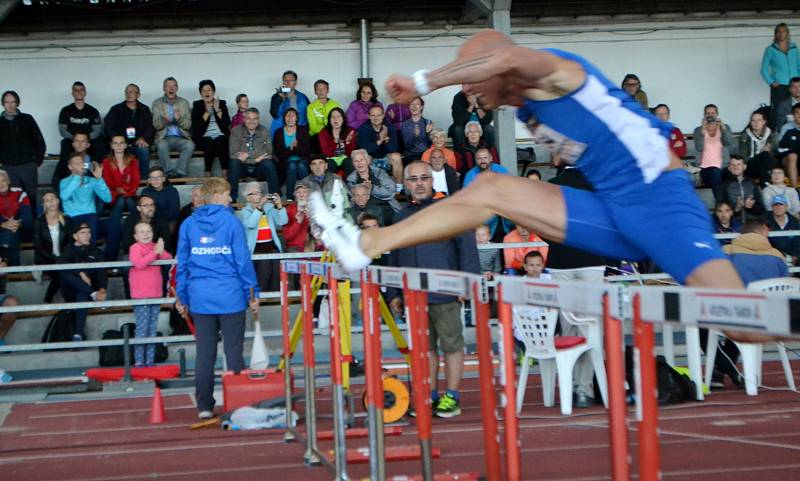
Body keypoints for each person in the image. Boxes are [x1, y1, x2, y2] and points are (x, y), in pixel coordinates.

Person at [312, 29, 767, 342]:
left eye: (471, 76)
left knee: (739, 323)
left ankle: (763, 266)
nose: (467, 89)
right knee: (491, 188)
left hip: (659, 202)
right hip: (609, 208)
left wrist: (424, 82)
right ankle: (367, 242)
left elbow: (507, 56)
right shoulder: (526, 108)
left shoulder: (560, 73)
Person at [384, 161, 480, 418]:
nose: (419, 184)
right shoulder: (400, 216)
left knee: (451, 346)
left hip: (446, 294)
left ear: (432, 181)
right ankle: (429, 395)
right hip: (413, 297)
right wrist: (394, 293)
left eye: (424, 178)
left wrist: (468, 283)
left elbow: (467, 249)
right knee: (424, 349)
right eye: (413, 179)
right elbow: (394, 256)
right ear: (405, 184)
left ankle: (452, 396)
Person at [175, 177, 260, 419]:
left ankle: (204, 406)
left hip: (201, 297)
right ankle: (239, 403)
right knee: (233, 352)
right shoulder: (232, 222)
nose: (231, 199)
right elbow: (242, 261)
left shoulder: (189, 224)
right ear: (215, 196)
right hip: (230, 294)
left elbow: (183, 264)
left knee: (205, 354)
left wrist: (181, 296)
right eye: (227, 194)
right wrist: (252, 293)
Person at [705, 217, 792, 387]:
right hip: (772, 319)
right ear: (763, 232)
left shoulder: (727, 252)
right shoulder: (778, 257)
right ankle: (723, 372)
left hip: (738, 315)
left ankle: (728, 371)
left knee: (701, 327)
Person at [129, 222, 172, 367]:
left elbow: (168, 258)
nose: (146, 234)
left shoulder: (155, 247)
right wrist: (155, 252)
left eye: (148, 231)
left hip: (155, 293)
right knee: (142, 329)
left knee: (152, 329)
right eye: (142, 232)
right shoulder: (134, 248)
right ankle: (139, 362)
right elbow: (139, 263)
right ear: (135, 236)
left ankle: (150, 361)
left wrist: (159, 249)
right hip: (141, 295)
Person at [59, 222, 108, 341]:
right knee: (65, 272)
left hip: (87, 289)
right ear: (75, 236)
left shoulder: (96, 251)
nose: (87, 235)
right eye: (82, 233)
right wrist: (80, 273)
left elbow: (102, 271)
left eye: (88, 232)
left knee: (82, 294)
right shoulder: (68, 249)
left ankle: (78, 334)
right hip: (70, 290)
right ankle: (93, 294)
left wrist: (102, 289)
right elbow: (61, 265)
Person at [0, 90, 45, 213]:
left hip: (27, 166)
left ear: (17, 103)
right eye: (7, 102)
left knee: (31, 198)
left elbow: (39, 141)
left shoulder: (27, 119)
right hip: (9, 168)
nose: (10, 105)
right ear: (3, 104)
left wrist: (36, 161)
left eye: (13, 101)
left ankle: (33, 227)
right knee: (14, 199)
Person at [238, 181, 287, 291]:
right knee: (263, 274)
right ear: (247, 197)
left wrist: (279, 205)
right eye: (255, 193)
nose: (259, 195)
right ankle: (262, 298)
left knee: (276, 274)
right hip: (256, 249)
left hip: (272, 247)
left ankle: (275, 299)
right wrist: (259, 207)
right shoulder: (245, 212)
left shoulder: (268, 208)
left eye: (259, 192)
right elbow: (250, 224)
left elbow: (282, 221)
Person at [102, 135, 141, 260]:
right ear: (111, 145)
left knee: (127, 200)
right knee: (120, 201)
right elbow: (108, 184)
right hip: (114, 196)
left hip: (130, 195)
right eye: (115, 143)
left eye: (121, 143)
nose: (118, 146)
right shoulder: (107, 162)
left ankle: (112, 255)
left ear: (125, 145)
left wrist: (125, 192)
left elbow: (135, 182)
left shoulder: (133, 160)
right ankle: (139, 225)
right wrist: (120, 191)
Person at [228, 107, 278, 201]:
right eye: (248, 118)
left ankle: (275, 196)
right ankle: (232, 198)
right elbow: (233, 154)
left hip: (259, 168)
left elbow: (268, 151)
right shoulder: (236, 131)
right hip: (242, 168)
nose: (252, 121)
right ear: (244, 119)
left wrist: (246, 154)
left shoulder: (264, 131)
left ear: (258, 120)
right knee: (234, 162)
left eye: (254, 118)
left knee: (268, 162)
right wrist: (254, 159)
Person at [60, 153, 111, 243]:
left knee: (91, 244)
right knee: (74, 245)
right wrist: (77, 177)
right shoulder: (64, 182)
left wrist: (99, 179)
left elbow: (108, 198)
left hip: (90, 215)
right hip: (72, 216)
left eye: (81, 163)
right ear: (70, 167)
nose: (80, 165)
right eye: (76, 163)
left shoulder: (91, 180)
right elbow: (64, 196)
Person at [104, 83, 154, 175]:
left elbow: (150, 127)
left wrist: (143, 138)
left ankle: (144, 180)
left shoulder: (144, 109)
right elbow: (108, 127)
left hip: (137, 142)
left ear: (138, 94)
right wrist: (117, 140)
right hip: (121, 143)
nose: (129, 94)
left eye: (132, 92)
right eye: (127, 92)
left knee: (144, 150)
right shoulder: (116, 109)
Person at [58, 81, 105, 172]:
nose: (79, 92)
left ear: (85, 92)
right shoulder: (65, 110)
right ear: (72, 93)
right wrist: (76, 140)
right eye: (76, 90)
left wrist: (84, 140)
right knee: (65, 144)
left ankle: (94, 173)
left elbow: (97, 130)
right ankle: (64, 173)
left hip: (89, 140)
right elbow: (62, 130)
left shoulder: (92, 110)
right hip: (72, 140)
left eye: (81, 90)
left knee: (100, 145)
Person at [152, 77, 194, 179]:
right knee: (161, 145)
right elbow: (156, 125)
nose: (171, 88)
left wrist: (179, 119)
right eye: (168, 86)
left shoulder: (184, 103)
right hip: (164, 137)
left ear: (177, 88)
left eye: (173, 86)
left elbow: (188, 125)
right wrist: (164, 121)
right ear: (164, 88)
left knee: (190, 145)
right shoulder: (157, 103)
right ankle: (168, 173)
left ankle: (180, 172)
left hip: (181, 137)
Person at [33, 191, 70, 302]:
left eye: (52, 199)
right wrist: (57, 260)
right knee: (61, 275)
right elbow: (39, 247)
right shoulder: (39, 222)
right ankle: (47, 301)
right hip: (45, 258)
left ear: (58, 201)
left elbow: (70, 243)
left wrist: (63, 258)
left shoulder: (66, 220)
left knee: (66, 273)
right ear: (44, 205)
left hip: (63, 258)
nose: (51, 202)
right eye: (47, 200)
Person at [761, 23, 800, 127]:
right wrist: (771, 82)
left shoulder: (794, 48)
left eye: (783, 31)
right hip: (780, 86)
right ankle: (777, 133)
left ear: (787, 33)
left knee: (797, 107)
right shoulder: (770, 49)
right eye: (778, 32)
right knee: (779, 109)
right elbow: (763, 69)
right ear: (775, 34)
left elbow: (799, 65)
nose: (781, 34)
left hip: (795, 84)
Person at [346, 149, 400, 223]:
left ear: (367, 161)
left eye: (362, 160)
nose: (359, 163)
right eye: (356, 161)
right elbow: (352, 200)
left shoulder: (379, 173)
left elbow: (391, 192)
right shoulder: (351, 180)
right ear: (353, 163)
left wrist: (372, 188)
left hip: (384, 206)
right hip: (364, 210)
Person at [693, 104, 733, 202]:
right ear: (704, 115)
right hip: (705, 169)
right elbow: (699, 147)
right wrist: (703, 129)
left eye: (712, 113)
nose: (710, 115)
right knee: (715, 173)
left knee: (732, 178)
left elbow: (728, 142)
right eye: (707, 113)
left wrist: (723, 127)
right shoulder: (698, 130)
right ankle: (721, 206)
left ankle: (727, 209)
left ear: (717, 114)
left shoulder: (725, 128)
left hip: (723, 168)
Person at [191, 79, 232, 178]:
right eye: (203, 90)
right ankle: (208, 172)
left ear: (213, 92)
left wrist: (217, 110)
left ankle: (225, 172)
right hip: (204, 136)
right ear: (201, 93)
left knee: (221, 141)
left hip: (220, 134)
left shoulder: (221, 103)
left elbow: (227, 123)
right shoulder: (197, 105)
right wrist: (208, 112)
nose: (206, 92)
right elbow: (196, 126)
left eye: (209, 90)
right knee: (209, 142)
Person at [357, 104, 404, 184]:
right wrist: (379, 140)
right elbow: (363, 149)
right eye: (373, 115)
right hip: (372, 159)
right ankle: (368, 187)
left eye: (378, 115)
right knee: (365, 157)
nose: (376, 118)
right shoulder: (363, 128)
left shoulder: (389, 127)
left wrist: (386, 140)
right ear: (369, 116)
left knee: (396, 156)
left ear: (383, 116)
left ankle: (399, 189)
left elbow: (394, 149)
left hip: (386, 158)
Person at [273, 108, 311, 199]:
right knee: (292, 165)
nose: (290, 118)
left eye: (293, 115)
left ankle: (307, 196)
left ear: (297, 118)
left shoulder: (303, 130)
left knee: (301, 165)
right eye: (287, 116)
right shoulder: (278, 132)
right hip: (285, 163)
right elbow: (280, 154)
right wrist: (291, 149)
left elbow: (306, 151)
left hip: (303, 161)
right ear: (284, 118)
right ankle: (290, 197)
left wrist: (296, 148)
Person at [0, 169, 31, 267]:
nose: (1, 184)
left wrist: (16, 224)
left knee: (11, 233)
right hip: (3, 230)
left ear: (8, 181)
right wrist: (3, 225)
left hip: (19, 229)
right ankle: (14, 272)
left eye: (3, 181)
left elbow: (27, 218)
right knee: (10, 235)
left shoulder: (20, 193)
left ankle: (3, 259)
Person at [739, 109, 777, 184]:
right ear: (750, 122)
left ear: (764, 122)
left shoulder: (772, 135)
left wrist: (768, 150)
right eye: (753, 120)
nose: (756, 123)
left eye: (759, 120)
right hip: (751, 165)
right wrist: (760, 155)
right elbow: (744, 157)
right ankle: (768, 182)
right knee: (764, 155)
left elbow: (775, 155)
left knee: (764, 160)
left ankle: (765, 184)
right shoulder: (745, 135)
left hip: (768, 164)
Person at [724, 155, 766, 222]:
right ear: (729, 168)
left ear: (744, 167)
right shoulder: (724, 185)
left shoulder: (752, 183)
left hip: (752, 224)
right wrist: (736, 209)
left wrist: (751, 206)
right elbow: (720, 211)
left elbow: (761, 209)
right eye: (733, 165)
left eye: (738, 164)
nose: (735, 167)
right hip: (733, 226)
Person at [269, 70, 310, 136]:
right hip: (280, 133)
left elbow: (308, 116)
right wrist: (280, 98)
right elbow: (274, 114)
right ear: (282, 82)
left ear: (295, 82)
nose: (288, 83)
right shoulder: (276, 97)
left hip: (299, 133)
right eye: (285, 80)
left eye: (291, 80)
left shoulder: (303, 97)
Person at [318, 107, 356, 176]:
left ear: (343, 119)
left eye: (338, 116)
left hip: (346, 158)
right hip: (330, 159)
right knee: (330, 163)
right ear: (329, 120)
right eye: (333, 117)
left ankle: (351, 185)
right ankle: (329, 185)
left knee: (349, 161)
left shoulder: (350, 131)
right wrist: (337, 143)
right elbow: (327, 153)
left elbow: (351, 152)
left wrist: (347, 143)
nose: (335, 119)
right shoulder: (323, 132)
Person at [766, 194, 800, 265]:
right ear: (772, 207)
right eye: (775, 205)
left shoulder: (794, 221)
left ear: (786, 207)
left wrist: (795, 256)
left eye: (781, 204)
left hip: (791, 257)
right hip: (772, 257)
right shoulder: (764, 220)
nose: (778, 207)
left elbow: (798, 243)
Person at [283, 181, 313, 253]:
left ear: (309, 195)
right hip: (295, 246)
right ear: (295, 195)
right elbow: (287, 237)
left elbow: (320, 234)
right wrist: (298, 223)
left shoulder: (314, 209)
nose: (301, 195)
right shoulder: (289, 209)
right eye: (298, 192)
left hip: (312, 245)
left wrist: (311, 218)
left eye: (304, 192)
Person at [400, 97, 433, 161]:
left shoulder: (428, 122)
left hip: (425, 155)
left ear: (421, 107)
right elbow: (407, 146)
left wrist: (428, 134)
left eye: (417, 104)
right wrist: (415, 136)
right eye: (412, 104)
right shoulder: (405, 124)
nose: (414, 107)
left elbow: (429, 145)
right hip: (410, 155)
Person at [777, 103, 800, 186]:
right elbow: (780, 148)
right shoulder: (786, 128)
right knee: (793, 155)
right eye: (797, 113)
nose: (799, 115)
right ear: (793, 115)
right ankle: (795, 191)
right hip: (788, 160)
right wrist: (794, 151)